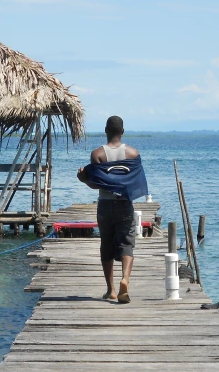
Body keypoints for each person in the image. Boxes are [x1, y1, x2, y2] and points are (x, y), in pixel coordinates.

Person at [77, 116, 147, 304]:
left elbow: (95, 184)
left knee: (106, 244)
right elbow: (135, 181)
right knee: (127, 244)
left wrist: (83, 178)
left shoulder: (97, 154)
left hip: (105, 205)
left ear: (106, 130)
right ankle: (125, 278)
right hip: (125, 204)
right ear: (122, 132)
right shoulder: (133, 154)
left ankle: (111, 290)